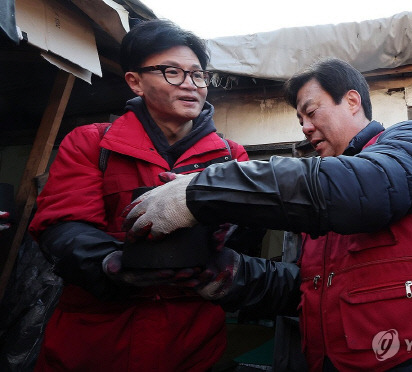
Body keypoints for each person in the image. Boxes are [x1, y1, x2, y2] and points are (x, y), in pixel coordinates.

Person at [124, 58, 412, 371]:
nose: (304, 127)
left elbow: (360, 192)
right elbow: (310, 288)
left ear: (352, 101)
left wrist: (204, 188)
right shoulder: (321, 188)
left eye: (311, 112)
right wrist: (224, 275)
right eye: (300, 118)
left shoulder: (410, 142)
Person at [28, 19, 251, 371]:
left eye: (198, 74)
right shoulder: (92, 142)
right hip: (96, 339)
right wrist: (108, 266)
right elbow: (62, 226)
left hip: (191, 338)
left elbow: (245, 236)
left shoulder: (231, 156)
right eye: (172, 72)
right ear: (135, 81)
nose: (190, 85)